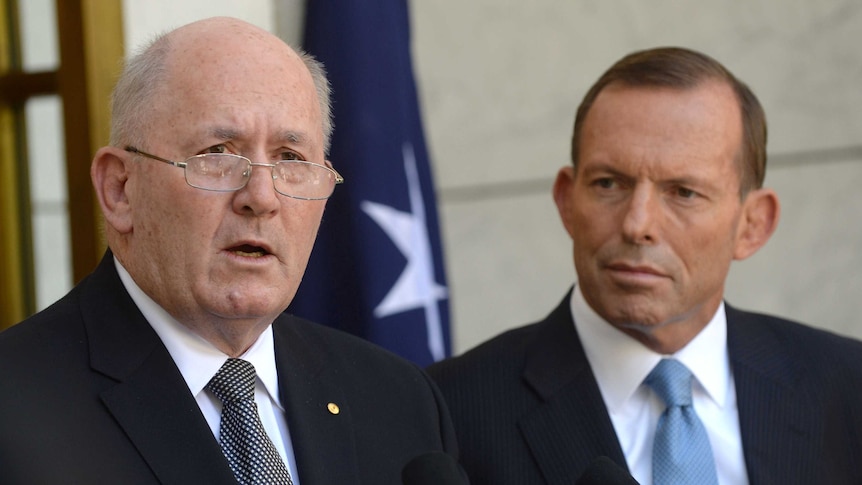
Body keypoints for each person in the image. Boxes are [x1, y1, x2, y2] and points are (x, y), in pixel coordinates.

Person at [0, 17, 459, 484]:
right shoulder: (13, 406)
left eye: (290, 159)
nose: (261, 197)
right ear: (121, 189)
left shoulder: (398, 398)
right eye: (218, 153)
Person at [428, 46, 862, 485]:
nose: (638, 225)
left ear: (753, 224)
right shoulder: (445, 412)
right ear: (566, 201)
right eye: (608, 183)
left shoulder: (848, 388)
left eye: (683, 192)